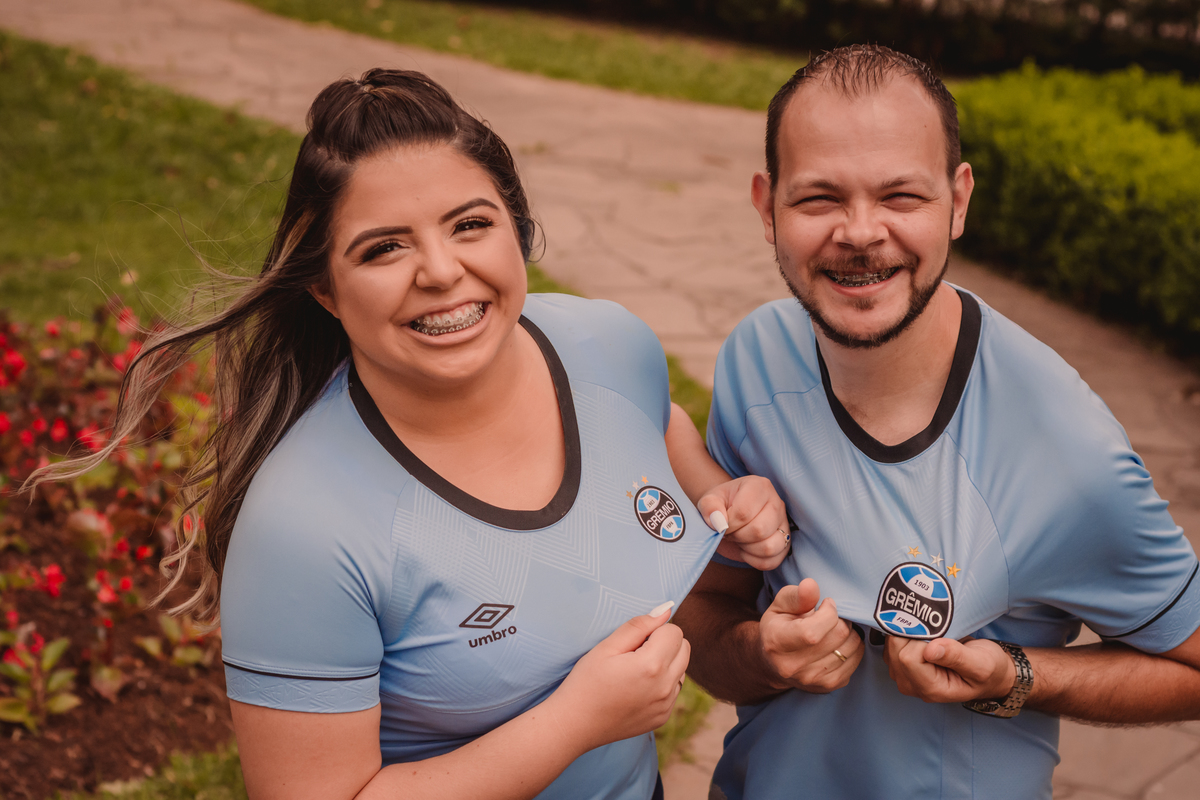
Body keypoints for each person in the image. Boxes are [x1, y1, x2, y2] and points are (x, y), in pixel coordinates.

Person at [33, 70, 788, 799]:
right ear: (325, 289)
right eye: (383, 247)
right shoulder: (303, 526)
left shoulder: (609, 347)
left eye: (470, 225)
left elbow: (653, 423)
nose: (440, 270)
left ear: (516, 231)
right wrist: (575, 723)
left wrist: (716, 492)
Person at [668, 45, 1200, 800]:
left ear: (958, 201)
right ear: (766, 205)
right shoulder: (757, 356)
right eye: (820, 198)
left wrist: (1016, 676)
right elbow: (710, 614)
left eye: (901, 198)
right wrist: (760, 654)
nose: (860, 232)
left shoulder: (1066, 449)